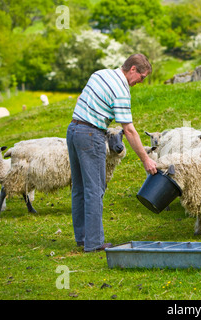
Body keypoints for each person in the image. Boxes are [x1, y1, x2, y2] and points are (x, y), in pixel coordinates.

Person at [66, 53, 157, 252]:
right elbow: (129, 130)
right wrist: (146, 159)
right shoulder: (121, 90)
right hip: (91, 134)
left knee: (79, 188)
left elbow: (85, 99)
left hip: (73, 130)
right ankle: (94, 242)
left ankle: (82, 237)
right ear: (133, 69)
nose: (140, 82)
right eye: (141, 78)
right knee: (94, 189)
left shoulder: (100, 74)